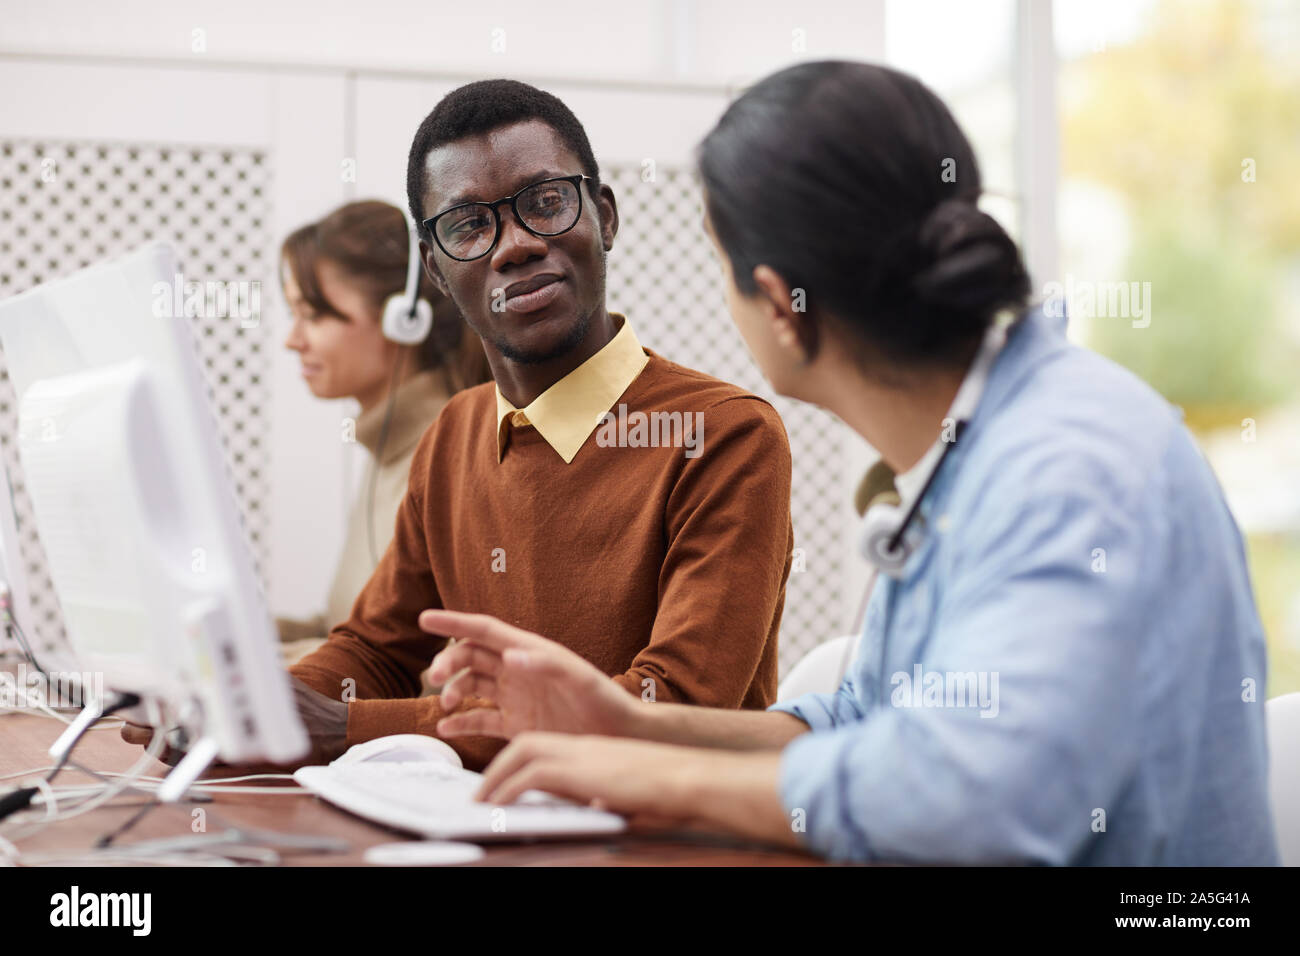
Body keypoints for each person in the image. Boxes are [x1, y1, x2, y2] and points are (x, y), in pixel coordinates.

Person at [420, 60, 1281, 865]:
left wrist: (647, 778)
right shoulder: (974, 450)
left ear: (778, 308)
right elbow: (866, 721)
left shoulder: (1069, 465)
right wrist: (619, 723)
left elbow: (974, 796)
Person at [275, 79, 795, 769]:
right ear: (434, 269)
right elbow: (372, 650)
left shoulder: (725, 435)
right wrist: (261, 709)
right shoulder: (455, 434)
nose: (514, 245)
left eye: (545, 203)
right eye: (469, 226)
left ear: (604, 217)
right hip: (486, 826)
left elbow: (672, 708)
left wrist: (345, 727)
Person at [274, 200, 491, 664]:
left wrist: (247, 669)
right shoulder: (385, 447)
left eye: (312, 315)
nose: (292, 340)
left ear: (403, 320)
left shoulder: (449, 455)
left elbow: (427, 671)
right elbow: (346, 628)